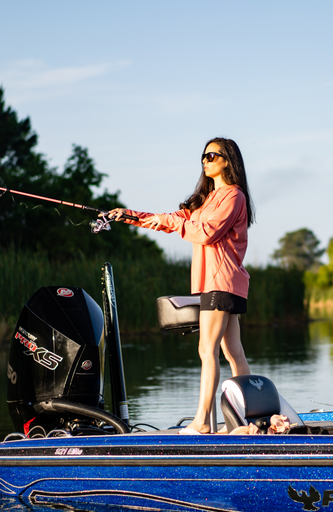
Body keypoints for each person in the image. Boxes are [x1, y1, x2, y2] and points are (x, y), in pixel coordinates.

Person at [106, 137, 254, 434]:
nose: (205, 160)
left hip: (220, 281)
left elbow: (207, 232)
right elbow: (171, 219)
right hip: (222, 282)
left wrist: (178, 224)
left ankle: (202, 422)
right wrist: (130, 216)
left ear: (228, 160)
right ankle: (246, 417)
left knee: (207, 349)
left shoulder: (233, 196)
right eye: (203, 155)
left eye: (212, 155)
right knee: (233, 352)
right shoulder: (206, 199)